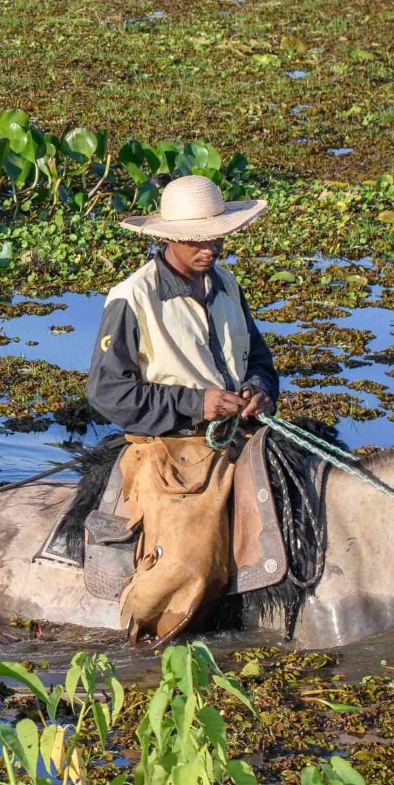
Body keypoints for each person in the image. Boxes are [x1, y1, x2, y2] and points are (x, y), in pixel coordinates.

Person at [86, 173, 281, 645]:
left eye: (215, 237)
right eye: (196, 240)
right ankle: (146, 636)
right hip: (174, 451)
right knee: (188, 567)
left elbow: (258, 359)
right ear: (168, 237)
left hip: (241, 433)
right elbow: (108, 392)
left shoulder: (228, 285)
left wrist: (258, 389)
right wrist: (198, 404)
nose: (208, 248)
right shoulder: (133, 297)